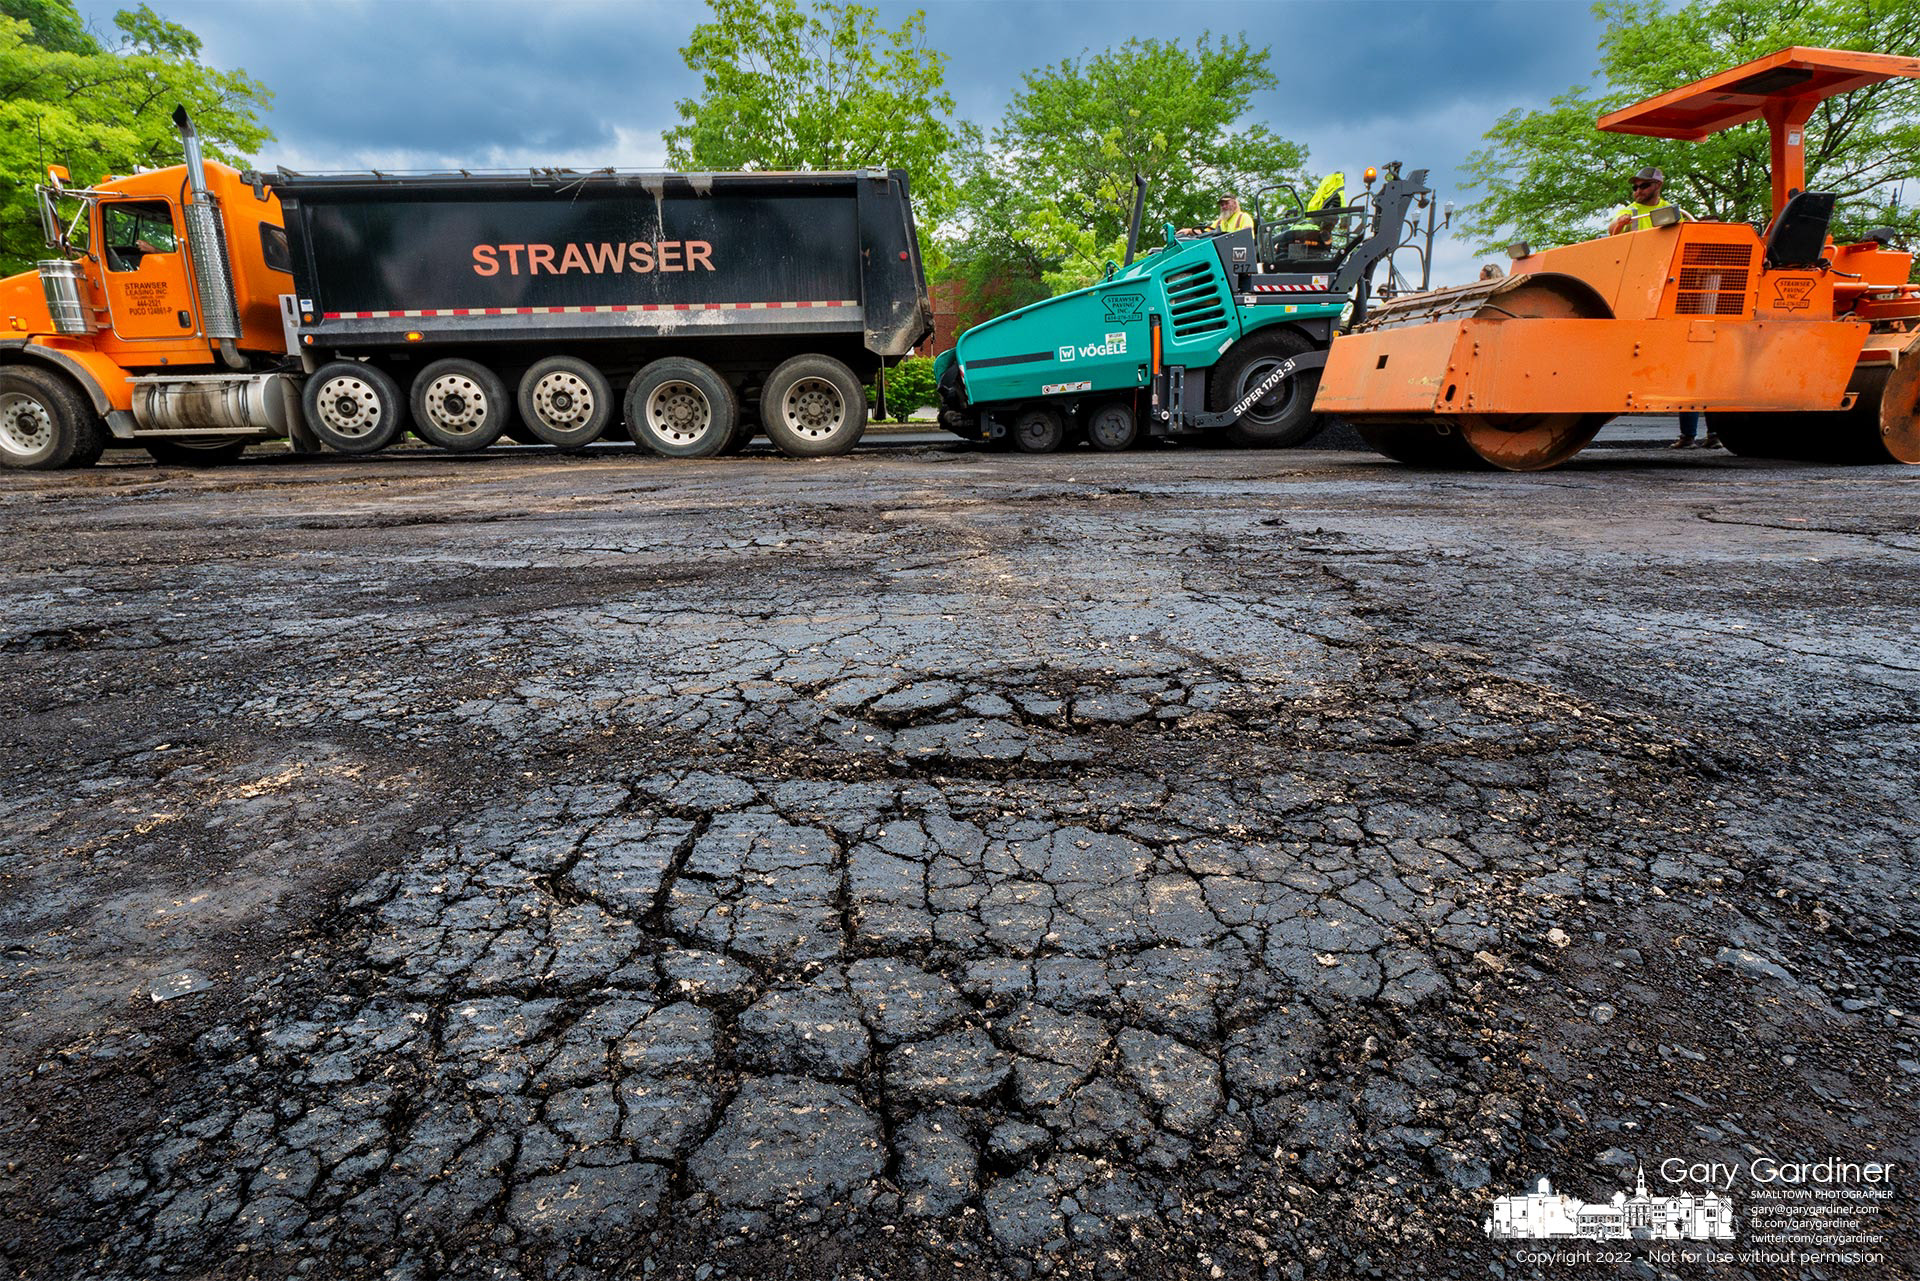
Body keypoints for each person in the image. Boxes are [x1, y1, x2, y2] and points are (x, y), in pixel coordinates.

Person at [1609, 167, 1685, 235]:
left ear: (1658, 185)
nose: (1638, 191)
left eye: (1644, 186)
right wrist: (1620, 222)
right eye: (1635, 187)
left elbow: (1682, 234)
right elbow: (1612, 228)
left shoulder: (1670, 210)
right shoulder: (1630, 211)